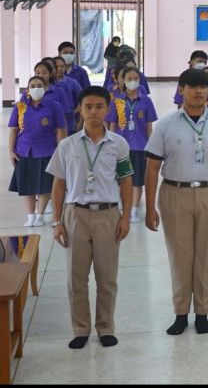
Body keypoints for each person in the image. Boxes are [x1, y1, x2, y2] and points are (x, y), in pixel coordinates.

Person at [144, 68, 208, 336]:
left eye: (203, 86)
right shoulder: (166, 124)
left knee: (206, 256)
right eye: (192, 86)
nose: (199, 91)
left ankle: (202, 312)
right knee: (179, 256)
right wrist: (149, 206)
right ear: (181, 90)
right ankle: (180, 313)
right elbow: (152, 167)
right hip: (175, 194)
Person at [48, 86, 133, 350]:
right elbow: (59, 184)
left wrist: (126, 217)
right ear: (80, 109)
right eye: (88, 107)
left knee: (107, 277)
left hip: (108, 214)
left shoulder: (118, 144)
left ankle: (106, 327)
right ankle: (81, 329)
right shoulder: (67, 145)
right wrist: (57, 221)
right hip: (76, 214)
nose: (94, 112)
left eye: (99, 107)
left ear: (107, 109)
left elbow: (126, 181)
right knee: (76, 277)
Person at [9, 75, 68, 226]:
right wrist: (11, 151)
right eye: (33, 86)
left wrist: (61, 151)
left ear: (45, 88)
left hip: (47, 150)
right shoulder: (20, 107)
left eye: (39, 85)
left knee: (44, 185)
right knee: (26, 184)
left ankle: (40, 215)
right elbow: (14, 130)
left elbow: (60, 130)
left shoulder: (54, 106)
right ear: (28, 90)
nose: (36, 88)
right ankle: (30, 216)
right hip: (24, 150)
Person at [107, 67, 158, 224]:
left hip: (140, 147)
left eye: (135, 78)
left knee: (137, 180)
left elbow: (149, 126)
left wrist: (151, 148)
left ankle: (134, 211)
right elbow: (112, 125)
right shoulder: (118, 101)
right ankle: (123, 207)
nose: (132, 81)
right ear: (122, 80)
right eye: (129, 78)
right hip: (121, 147)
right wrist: (110, 145)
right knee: (120, 179)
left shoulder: (146, 101)